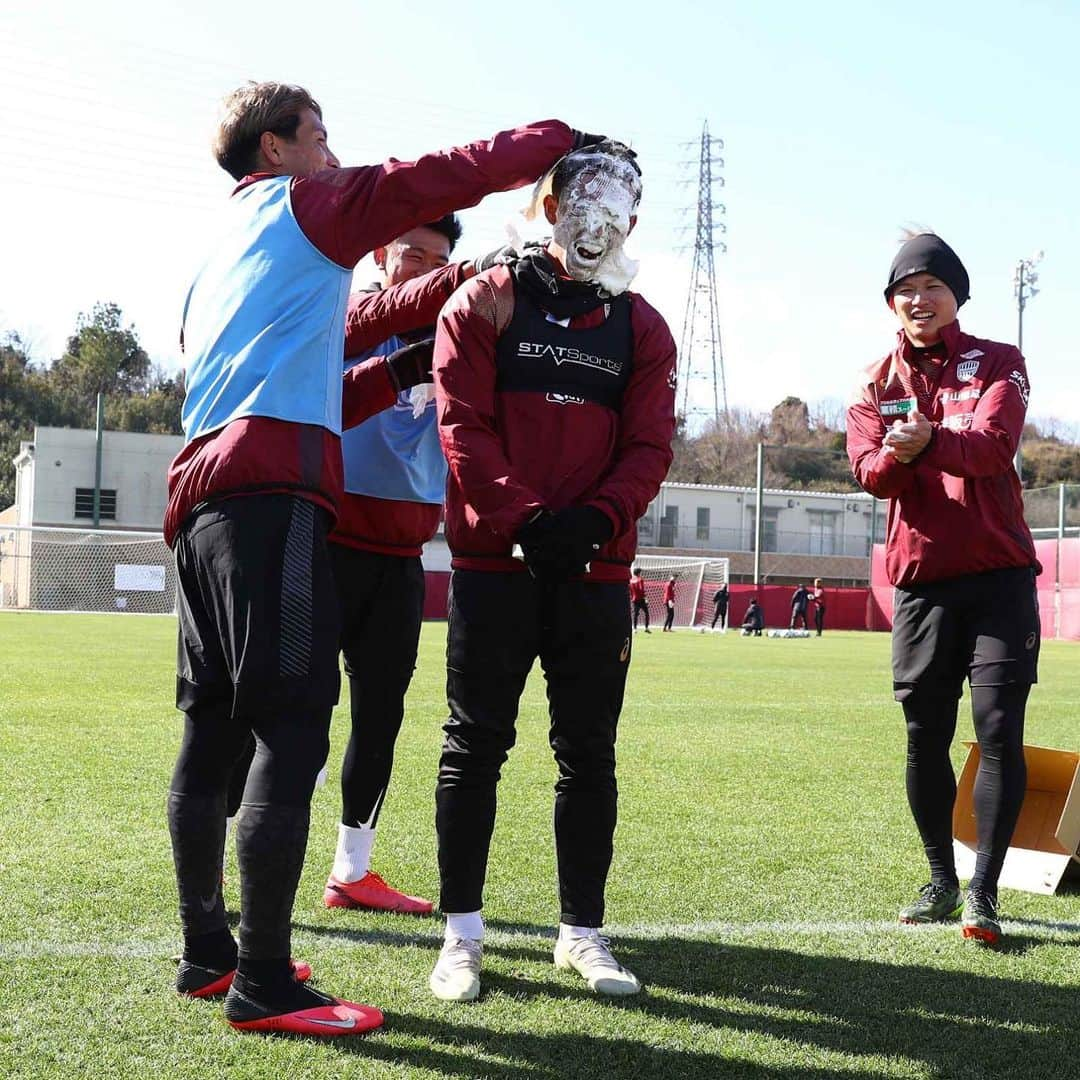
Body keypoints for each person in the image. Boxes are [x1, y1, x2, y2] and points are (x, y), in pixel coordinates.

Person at [166, 79, 592, 1036]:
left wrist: (433, 317)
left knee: (211, 735)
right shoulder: (306, 202)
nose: (333, 150)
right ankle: (265, 985)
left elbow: (333, 353)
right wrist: (559, 139)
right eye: (316, 134)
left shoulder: (225, 247)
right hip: (270, 500)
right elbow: (433, 175)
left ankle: (208, 953)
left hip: (199, 499)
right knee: (292, 729)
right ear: (273, 149)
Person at [428, 141, 676, 1002]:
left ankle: (582, 933)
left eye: (614, 207)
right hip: (496, 565)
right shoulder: (482, 302)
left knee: (589, 757)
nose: (595, 220)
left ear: (634, 222)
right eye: (580, 200)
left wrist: (597, 522)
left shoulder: (643, 327)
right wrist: (526, 520)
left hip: (596, 577)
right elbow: (461, 428)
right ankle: (461, 937)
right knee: (474, 747)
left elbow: (650, 447)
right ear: (546, 207)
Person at [847, 231, 1041, 948]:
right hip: (923, 583)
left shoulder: (998, 361)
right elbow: (870, 472)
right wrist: (902, 455)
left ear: (956, 295)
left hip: (999, 580)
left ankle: (983, 896)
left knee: (997, 730)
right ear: (891, 304)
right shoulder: (875, 381)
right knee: (924, 736)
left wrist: (927, 441)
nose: (918, 299)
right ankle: (939, 879)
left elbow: (992, 448)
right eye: (905, 289)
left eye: (932, 286)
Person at [629, 566, 650, 632]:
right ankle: (646, 628)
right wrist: (645, 597)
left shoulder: (631, 580)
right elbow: (641, 589)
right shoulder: (640, 579)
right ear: (639, 573)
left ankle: (635, 628)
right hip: (641, 599)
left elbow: (630, 590)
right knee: (646, 613)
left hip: (634, 600)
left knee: (635, 614)